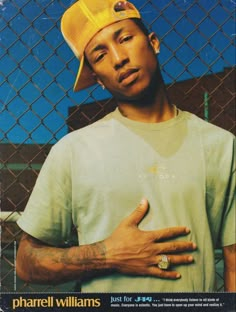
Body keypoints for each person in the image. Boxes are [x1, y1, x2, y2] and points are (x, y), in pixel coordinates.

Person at [16, 0, 235, 292]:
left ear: (153, 42)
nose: (119, 58)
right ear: (96, 78)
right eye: (101, 54)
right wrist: (108, 254)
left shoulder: (221, 145)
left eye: (125, 38)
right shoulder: (73, 151)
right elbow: (26, 261)